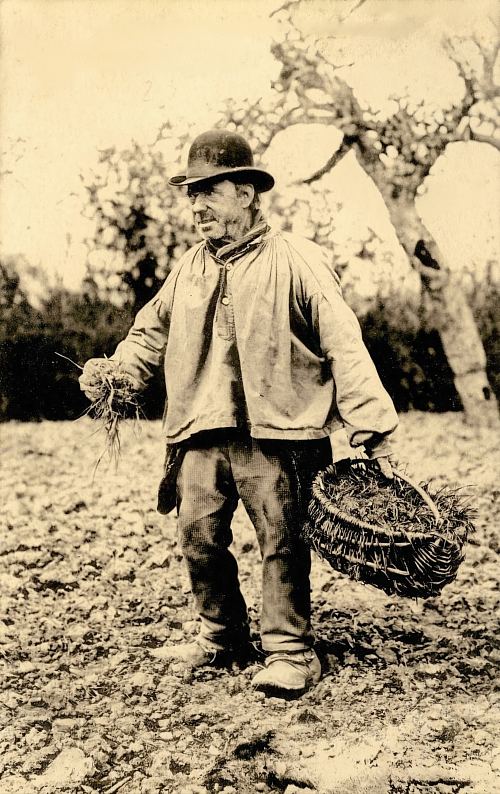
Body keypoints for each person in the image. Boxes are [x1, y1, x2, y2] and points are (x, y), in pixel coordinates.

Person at [79, 129, 398, 695]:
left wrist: (370, 423)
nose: (197, 205)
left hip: (281, 431)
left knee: (282, 538)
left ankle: (289, 650)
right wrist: (116, 372)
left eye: (210, 191)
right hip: (201, 430)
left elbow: (343, 341)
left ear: (248, 192)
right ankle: (223, 635)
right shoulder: (188, 269)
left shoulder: (299, 261)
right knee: (197, 536)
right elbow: (149, 334)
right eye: (192, 194)